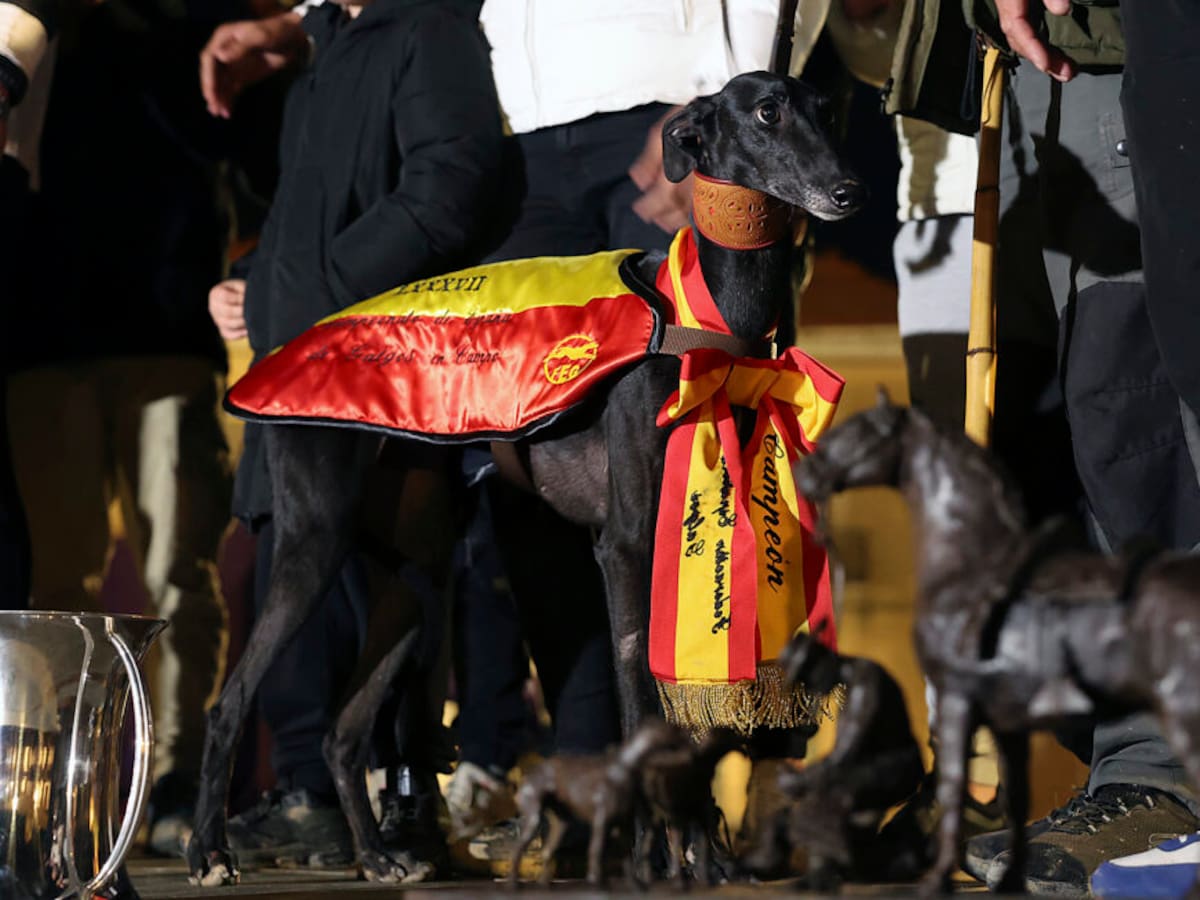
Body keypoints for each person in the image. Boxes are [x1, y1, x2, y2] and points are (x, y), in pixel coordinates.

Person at [203, 0, 505, 873]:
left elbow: (449, 188)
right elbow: (304, 207)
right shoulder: (322, 56)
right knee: (287, 566)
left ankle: (400, 788)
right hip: (300, 358)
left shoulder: (431, 28)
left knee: (394, 587)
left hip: (379, 366)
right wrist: (251, 286)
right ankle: (308, 795)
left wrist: (311, 295)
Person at [951, 1, 1200, 894]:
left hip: (1143, 46)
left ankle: (1166, 770)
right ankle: (1144, 767)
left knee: (1154, 399)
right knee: (1093, 412)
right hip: (1050, 61)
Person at [1, 0, 251, 856]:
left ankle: (178, 781)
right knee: (53, 589)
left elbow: (228, 144)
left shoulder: (190, 19)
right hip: (40, 342)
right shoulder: (30, 26)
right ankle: (57, 792)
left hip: (163, 332)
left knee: (178, 568)